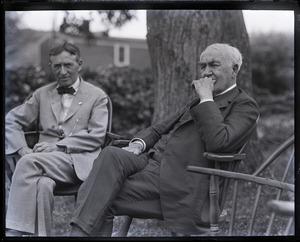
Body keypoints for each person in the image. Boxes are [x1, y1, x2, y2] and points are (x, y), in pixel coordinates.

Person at [69, 43, 260, 236]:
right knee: (110, 155)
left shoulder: (244, 106)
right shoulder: (197, 101)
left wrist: (207, 99)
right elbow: (158, 129)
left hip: (182, 180)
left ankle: (77, 234)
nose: (206, 72)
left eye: (214, 65)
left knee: (96, 194)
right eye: (203, 66)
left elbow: (219, 142)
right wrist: (138, 144)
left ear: (234, 69)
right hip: (150, 163)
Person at [5, 42, 109, 236]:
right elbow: (10, 121)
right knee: (43, 185)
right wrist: (21, 149)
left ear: (80, 64)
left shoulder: (97, 96)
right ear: (50, 67)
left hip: (77, 162)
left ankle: (14, 231)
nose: (62, 71)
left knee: (27, 163)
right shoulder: (42, 94)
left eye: (68, 65)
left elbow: (97, 136)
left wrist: (58, 147)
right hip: (42, 161)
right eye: (56, 66)